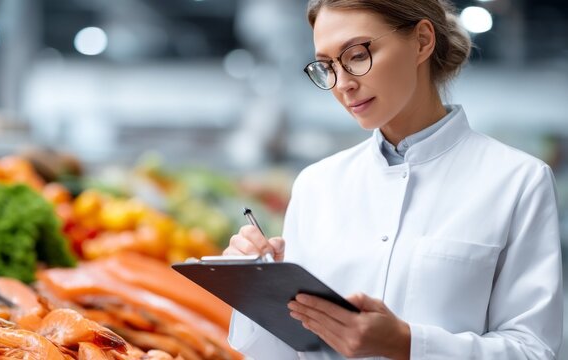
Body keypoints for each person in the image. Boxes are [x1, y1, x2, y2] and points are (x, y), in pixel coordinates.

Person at [223, 0, 564, 359]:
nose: (342, 84)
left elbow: (533, 350)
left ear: (421, 40)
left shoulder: (518, 181)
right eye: (327, 66)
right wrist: (253, 286)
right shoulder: (316, 185)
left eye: (356, 55)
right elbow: (283, 353)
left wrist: (407, 344)